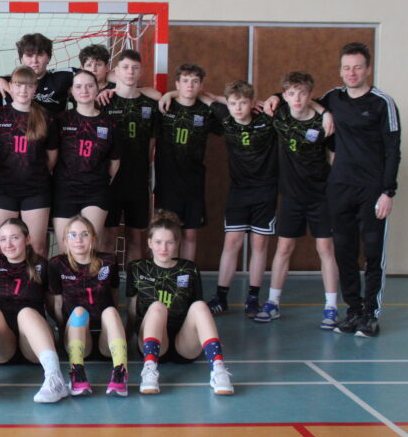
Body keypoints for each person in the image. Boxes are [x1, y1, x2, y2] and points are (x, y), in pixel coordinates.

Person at [265, 43, 400, 337]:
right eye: (346, 68)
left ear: (368, 69)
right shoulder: (334, 98)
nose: (352, 73)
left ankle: (370, 315)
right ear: (340, 70)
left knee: (372, 252)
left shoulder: (382, 103)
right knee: (345, 252)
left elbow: (393, 150)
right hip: (339, 188)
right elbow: (300, 97)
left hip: (372, 189)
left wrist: (388, 191)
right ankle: (353, 311)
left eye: (358, 67)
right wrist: (277, 97)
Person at [256, 72, 340, 328]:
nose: (297, 98)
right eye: (291, 94)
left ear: (310, 94)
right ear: (285, 95)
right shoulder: (279, 114)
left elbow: (334, 156)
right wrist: (275, 97)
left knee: (325, 249)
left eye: (303, 93)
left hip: (320, 196)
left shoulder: (323, 123)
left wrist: (325, 112)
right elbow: (255, 102)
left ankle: (331, 307)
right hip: (291, 196)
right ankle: (272, 302)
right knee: (283, 249)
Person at [127, 211, 234, 395]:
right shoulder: (137, 268)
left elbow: (197, 312)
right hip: (152, 339)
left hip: (184, 344)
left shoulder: (189, 269)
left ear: (177, 243)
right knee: (157, 307)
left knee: (201, 306)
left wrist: (208, 338)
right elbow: (132, 308)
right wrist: (126, 340)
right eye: (158, 242)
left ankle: (218, 370)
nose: (163, 248)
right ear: (149, 242)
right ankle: (149, 370)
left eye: (169, 242)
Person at [200, 80, 279, 318]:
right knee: (232, 243)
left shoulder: (268, 119)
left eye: (243, 103)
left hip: (265, 191)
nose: (237, 108)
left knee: (259, 244)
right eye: (233, 103)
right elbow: (203, 95)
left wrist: (273, 98)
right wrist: (169, 94)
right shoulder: (226, 118)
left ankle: (253, 298)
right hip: (238, 192)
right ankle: (221, 298)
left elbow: (294, 100)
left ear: (252, 103)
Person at [0, 218, 69, 403]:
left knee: (26, 313)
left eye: (14, 238)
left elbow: (54, 307)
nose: (8, 244)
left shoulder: (42, 265)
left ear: (27, 239)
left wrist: (63, 334)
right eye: (3, 239)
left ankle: (55, 380)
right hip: (2, 345)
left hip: (32, 344)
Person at [49, 215, 129, 396]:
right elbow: (58, 304)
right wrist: (63, 334)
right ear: (65, 240)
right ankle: (77, 373)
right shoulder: (57, 264)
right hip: (77, 337)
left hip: (105, 341)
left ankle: (120, 373)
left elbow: (114, 295)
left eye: (84, 234)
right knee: (78, 311)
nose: (78, 239)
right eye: (73, 235)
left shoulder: (108, 261)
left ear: (93, 238)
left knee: (110, 311)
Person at [0, 66, 59, 258]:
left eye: (28, 86)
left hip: (36, 190)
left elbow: (52, 156)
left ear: (35, 88)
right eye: (18, 85)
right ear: (10, 86)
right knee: (2, 247)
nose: (23, 90)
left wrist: (34, 172)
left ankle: (35, 279)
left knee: (37, 247)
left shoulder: (45, 117)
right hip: (4, 188)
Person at [153, 64, 222, 260]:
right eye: (185, 81)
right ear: (177, 84)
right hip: (168, 182)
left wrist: (210, 99)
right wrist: (170, 94)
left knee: (190, 235)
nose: (189, 85)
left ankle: (187, 275)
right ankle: (168, 274)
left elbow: (229, 114)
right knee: (168, 234)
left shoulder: (206, 111)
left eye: (195, 81)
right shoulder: (165, 107)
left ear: (201, 85)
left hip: (194, 182)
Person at [99, 50, 160, 265]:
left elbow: (151, 145)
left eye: (135, 68)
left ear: (141, 72)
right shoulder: (104, 101)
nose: (130, 72)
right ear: (116, 71)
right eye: (125, 67)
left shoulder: (150, 104)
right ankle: (109, 285)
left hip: (138, 182)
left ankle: (136, 287)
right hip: (110, 181)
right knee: (108, 239)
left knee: (136, 240)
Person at [52, 70, 121, 251]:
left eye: (89, 86)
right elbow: (52, 156)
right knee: (66, 249)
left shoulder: (109, 123)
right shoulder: (61, 120)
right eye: (79, 86)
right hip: (65, 191)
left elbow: (114, 163)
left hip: (95, 191)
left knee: (90, 247)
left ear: (97, 89)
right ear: (72, 91)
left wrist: (99, 180)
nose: (84, 90)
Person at [13, 33, 74, 116]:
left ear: (48, 57)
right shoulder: (12, 80)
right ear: (21, 59)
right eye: (29, 55)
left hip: (58, 123)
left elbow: (90, 74)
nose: (34, 60)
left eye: (40, 54)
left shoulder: (64, 76)